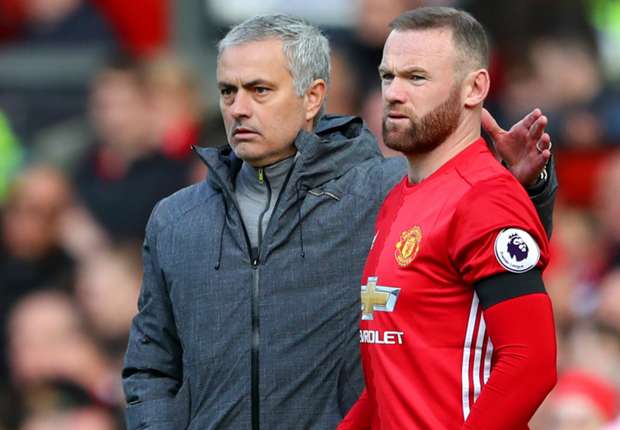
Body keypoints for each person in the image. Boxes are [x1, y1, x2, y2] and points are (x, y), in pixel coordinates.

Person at [122, 14, 556, 430]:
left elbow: (501, 258)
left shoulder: (380, 189)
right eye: (227, 91)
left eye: (259, 90)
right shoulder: (176, 220)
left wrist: (525, 187)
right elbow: (149, 368)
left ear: (313, 97)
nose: (238, 108)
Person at [339, 7, 556, 429]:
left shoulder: (484, 197)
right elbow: (394, 376)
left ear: (475, 88)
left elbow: (531, 364)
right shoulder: (399, 198)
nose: (394, 93)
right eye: (388, 76)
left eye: (416, 77)